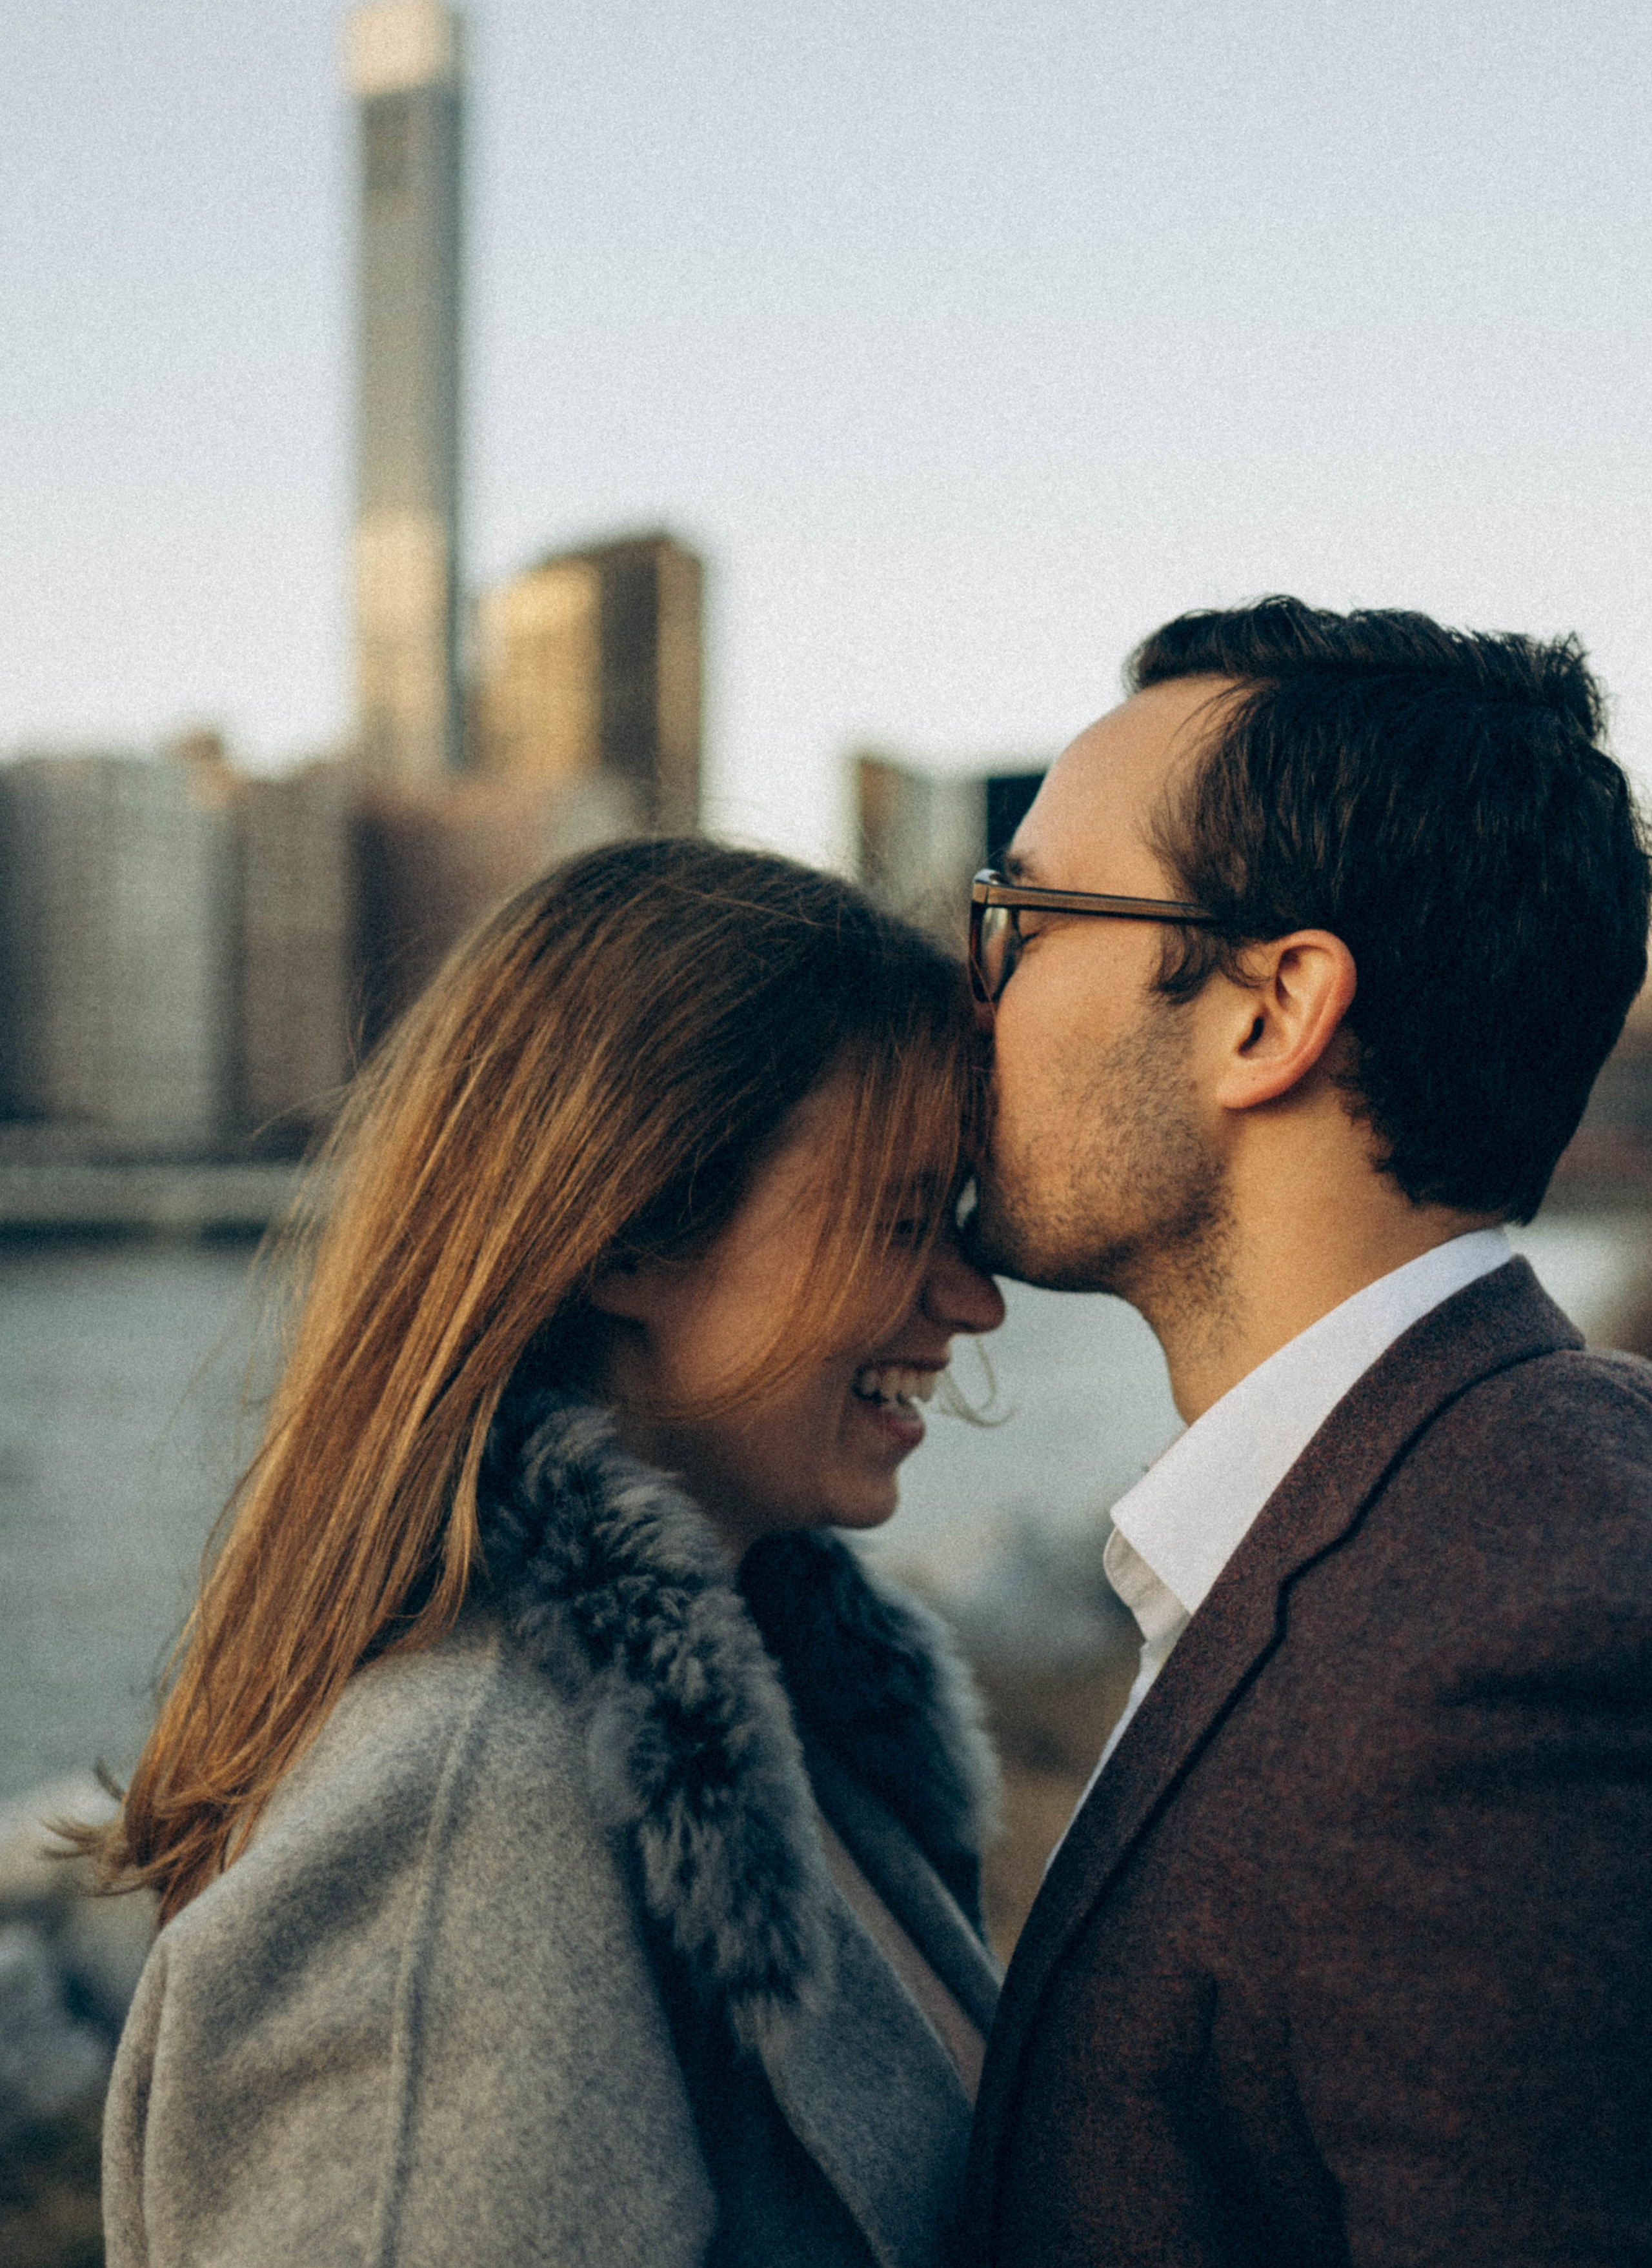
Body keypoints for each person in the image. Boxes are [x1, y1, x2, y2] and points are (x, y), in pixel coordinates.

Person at [90, 839, 1007, 2268]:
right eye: (899, 1221)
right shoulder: (460, 1821)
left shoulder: (769, 1730)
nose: (969, 1300)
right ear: (627, 1241)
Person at [962, 598, 1652, 2267]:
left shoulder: (1509, 1645)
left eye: (1024, 913)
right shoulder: (1457, 1497)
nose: (968, 986)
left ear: (1272, 1010)